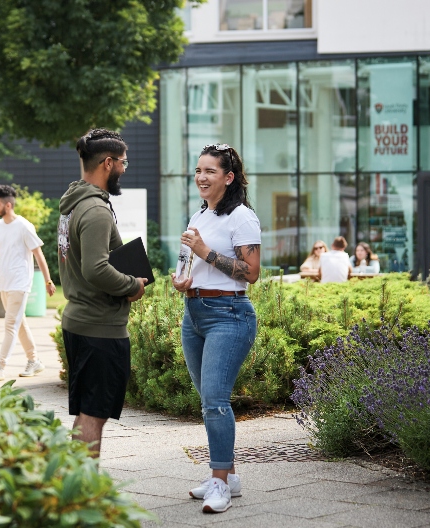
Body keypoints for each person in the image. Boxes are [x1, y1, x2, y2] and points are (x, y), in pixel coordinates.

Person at [172, 143, 261, 514]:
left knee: (215, 402)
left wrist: (206, 252)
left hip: (230, 314)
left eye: (209, 171)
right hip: (194, 313)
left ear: (228, 177)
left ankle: (220, 485)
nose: (201, 177)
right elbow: (191, 263)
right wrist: (183, 279)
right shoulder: (200, 214)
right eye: (197, 170)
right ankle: (230, 476)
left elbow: (252, 273)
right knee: (210, 402)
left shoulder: (242, 217)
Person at [58, 128, 148, 460]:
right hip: (99, 327)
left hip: (79, 320)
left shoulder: (72, 205)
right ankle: (84, 494)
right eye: (123, 162)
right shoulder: (94, 210)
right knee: (94, 413)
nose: (125, 168)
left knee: (87, 411)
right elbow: (96, 268)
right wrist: (132, 285)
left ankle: (77, 485)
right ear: (107, 163)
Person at [0, 185, 57, 380]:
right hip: (5, 283)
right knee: (19, 322)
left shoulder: (24, 226)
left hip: (20, 282)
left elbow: (38, 255)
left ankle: (0, 366)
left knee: (10, 324)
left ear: (8, 205)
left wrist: (48, 280)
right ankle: (34, 361)